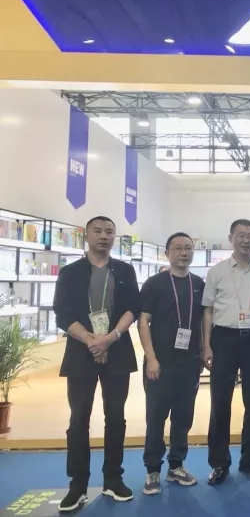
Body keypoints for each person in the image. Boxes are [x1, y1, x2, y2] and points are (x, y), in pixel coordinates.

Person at [53, 216, 140, 513]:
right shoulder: (70, 272)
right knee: (78, 420)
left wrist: (110, 338)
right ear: (86, 235)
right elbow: (62, 313)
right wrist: (92, 340)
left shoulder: (125, 270)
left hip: (118, 352)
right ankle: (77, 485)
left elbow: (132, 308)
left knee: (116, 417)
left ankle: (113, 479)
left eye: (109, 232)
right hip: (80, 353)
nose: (104, 236)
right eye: (98, 231)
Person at [202, 219, 250, 484]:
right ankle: (219, 463)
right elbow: (208, 310)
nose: (246, 240)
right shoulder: (217, 271)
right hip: (224, 338)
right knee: (220, 402)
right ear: (231, 238)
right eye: (241, 235)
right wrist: (207, 344)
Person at [138, 233, 205, 495]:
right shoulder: (154, 284)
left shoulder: (198, 283)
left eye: (188, 248)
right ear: (167, 253)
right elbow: (143, 322)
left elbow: (203, 320)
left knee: (183, 417)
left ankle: (176, 465)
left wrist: (203, 350)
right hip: (161, 363)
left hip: (189, 363)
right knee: (156, 417)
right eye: (177, 248)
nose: (183, 253)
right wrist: (151, 358)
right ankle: (152, 469)